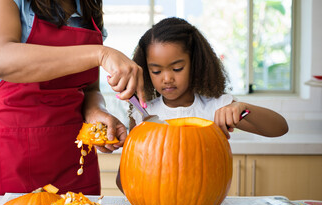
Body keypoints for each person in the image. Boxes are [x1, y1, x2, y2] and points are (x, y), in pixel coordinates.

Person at [0, 0, 146, 196]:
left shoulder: (88, 6)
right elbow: (0, 60)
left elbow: (89, 89)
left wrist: (97, 112)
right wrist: (101, 54)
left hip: (75, 159)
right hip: (13, 154)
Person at [116, 17, 288, 192]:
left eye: (177, 69)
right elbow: (123, 179)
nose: (167, 79)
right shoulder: (143, 113)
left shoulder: (217, 108)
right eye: (156, 71)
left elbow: (280, 128)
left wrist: (242, 108)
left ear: (195, 64)